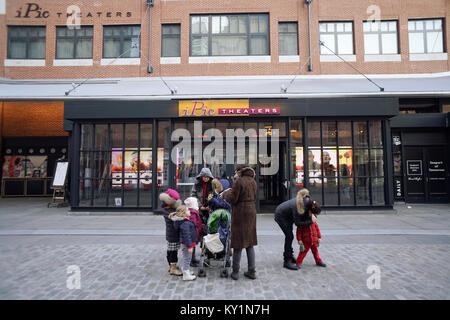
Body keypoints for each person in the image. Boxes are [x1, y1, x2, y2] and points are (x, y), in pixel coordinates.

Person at [222, 164, 258, 280]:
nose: (234, 173)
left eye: (235, 171)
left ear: (239, 171)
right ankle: (251, 270)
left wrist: (225, 194)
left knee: (238, 243)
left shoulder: (239, 181)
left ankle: (235, 272)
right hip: (251, 211)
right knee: (250, 243)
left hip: (240, 213)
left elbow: (233, 198)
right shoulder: (253, 181)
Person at [274, 188, 316, 270]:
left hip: (287, 216)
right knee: (289, 236)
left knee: (290, 236)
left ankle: (290, 255)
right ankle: (287, 260)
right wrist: (311, 221)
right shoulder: (297, 207)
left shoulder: (305, 201)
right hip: (281, 216)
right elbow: (298, 223)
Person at [170, 205, 198, 281]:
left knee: (187, 258)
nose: (190, 211)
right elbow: (187, 235)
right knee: (187, 258)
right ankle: (186, 274)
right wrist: (190, 246)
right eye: (188, 210)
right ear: (183, 214)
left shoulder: (185, 221)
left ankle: (186, 270)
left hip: (186, 244)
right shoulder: (185, 224)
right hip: (187, 244)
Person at [159, 189, 183, 276]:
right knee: (173, 251)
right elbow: (175, 220)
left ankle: (171, 266)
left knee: (171, 250)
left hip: (171, 233)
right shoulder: (168, 211)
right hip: (172, 234)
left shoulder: (168, 208)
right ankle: (173, 267)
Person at [296, 201, 326, 268]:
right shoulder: (303, 220)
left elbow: (317, 229)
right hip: (306, 241)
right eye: (313, 213)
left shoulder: (314, 221)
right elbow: (299, 231)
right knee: (303, 252)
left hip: (314, 240)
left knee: (315, 252)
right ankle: (298, 262)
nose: (314, 215)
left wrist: (319, 237)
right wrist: (299, 239)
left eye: (314, 214)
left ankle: (318, 261)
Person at [184, 197, 202, 267]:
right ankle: (191, 261)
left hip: (195, 232)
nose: (197, 204)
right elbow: (194, 223)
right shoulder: (192, 212)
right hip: (193, 233)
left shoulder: (193, 211)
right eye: (196, 202)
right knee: (191, 247)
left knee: (194, 247)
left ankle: (193, 259)